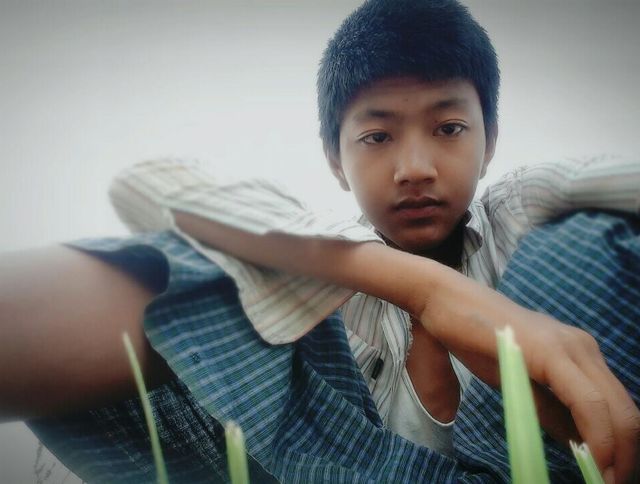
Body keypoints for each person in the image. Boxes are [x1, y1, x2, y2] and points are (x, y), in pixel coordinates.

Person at [1, 0, 639, 482]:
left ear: (490, 140)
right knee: (222, 279)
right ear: (336, 161)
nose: (415, 167)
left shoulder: (520, 208)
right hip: (342, 464)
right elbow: (147, 189)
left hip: (569, 460)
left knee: (590, 241)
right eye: (376, 137)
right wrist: (429, 291)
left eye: (448, 127)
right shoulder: (330, 258)